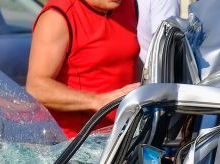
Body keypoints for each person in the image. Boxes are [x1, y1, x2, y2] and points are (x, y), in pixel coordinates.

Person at [26, 0, 141, 139]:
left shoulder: (129, 5)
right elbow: (37, 86)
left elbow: (128, 58)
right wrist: (98, 101)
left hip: (124, 137)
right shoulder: (58, 16)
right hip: (77, 145)